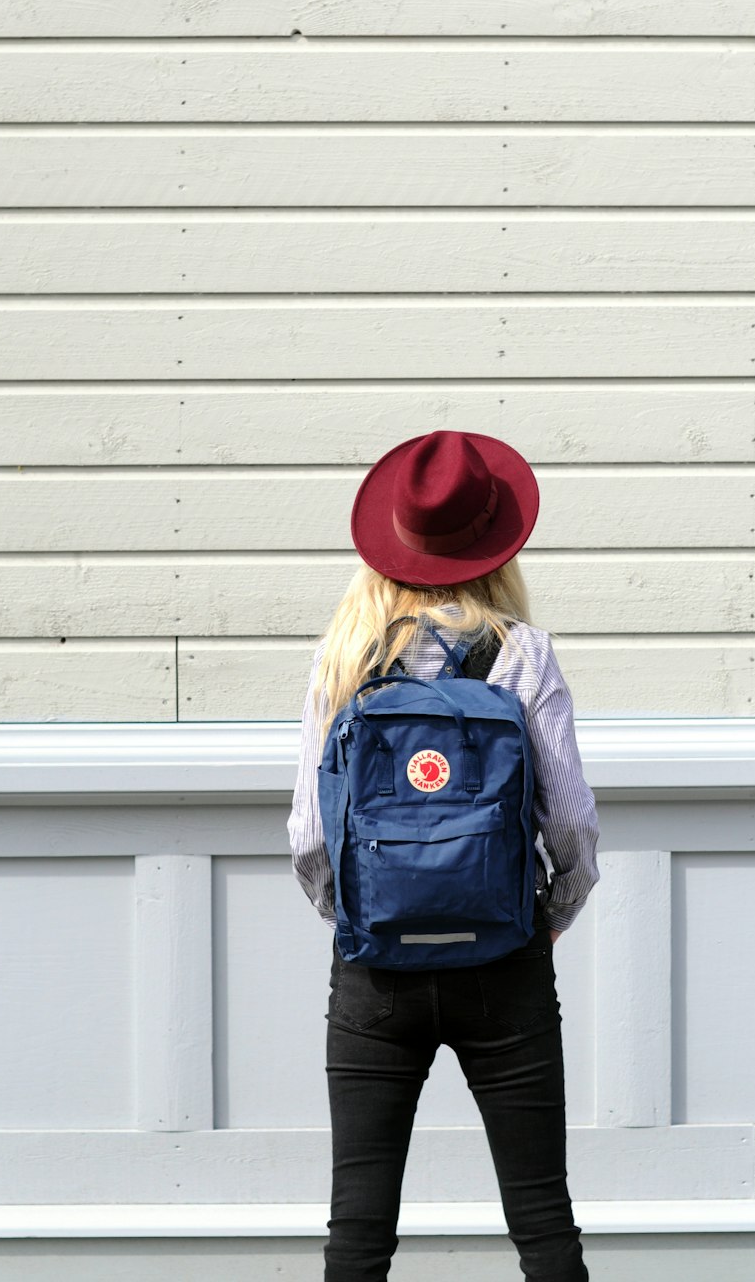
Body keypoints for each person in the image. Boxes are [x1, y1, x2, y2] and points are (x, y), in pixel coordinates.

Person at [287, 428, 600, 1282]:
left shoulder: (345, 658)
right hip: (505, 964)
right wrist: (543, 919)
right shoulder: (523, 656)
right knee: (542, 1218)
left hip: (374, 975)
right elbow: (571, 830)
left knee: (358, 1227)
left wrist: (362, 915)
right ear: (496, 544)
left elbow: (310, 839)